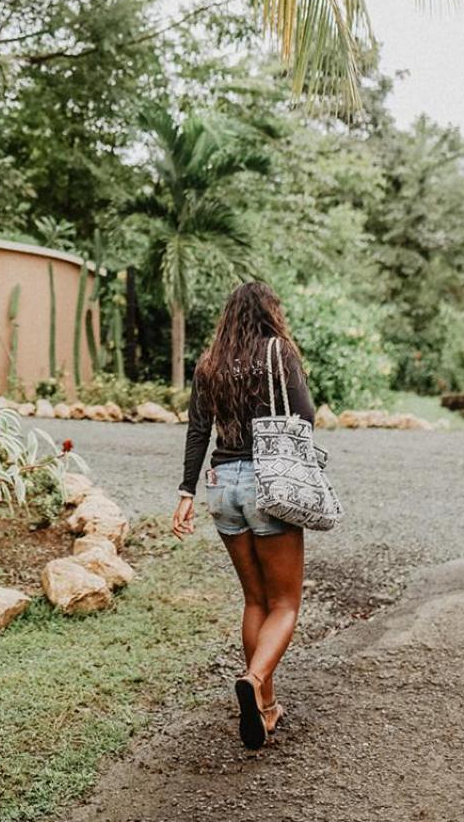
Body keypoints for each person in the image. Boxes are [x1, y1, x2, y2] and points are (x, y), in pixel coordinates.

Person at [172, 280, 315, 750]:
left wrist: (186, 492)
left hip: (221, 486)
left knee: (255, 601)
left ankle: (266, 707)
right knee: (285, 604)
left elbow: (198, 431)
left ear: (229, 316)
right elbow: (305, 417)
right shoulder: (279, 353)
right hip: (267, 484)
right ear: (270, 312)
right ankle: (253, 680)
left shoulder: (209, 362)